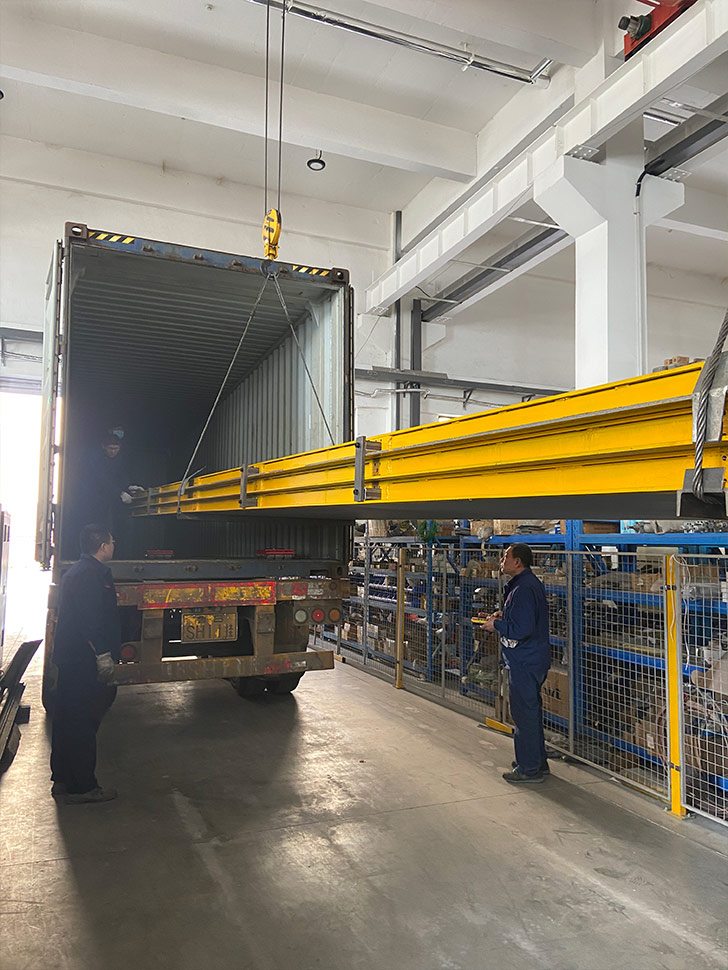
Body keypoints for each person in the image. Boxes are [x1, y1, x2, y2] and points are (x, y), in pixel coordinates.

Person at [50, 524, 121, 803]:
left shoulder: (77, 571)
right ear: (102, 546)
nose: (114, 546)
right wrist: (102, 654)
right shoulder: (91, 575)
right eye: (111, 542)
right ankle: (83, 787)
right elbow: (91, 621)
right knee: (83, 722)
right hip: (83, 660)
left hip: (71, 659)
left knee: (66, 718)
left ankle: (62, 780)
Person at [483, 543, 551, 784]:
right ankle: (537, 761)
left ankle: (529, 769)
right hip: (529, 658)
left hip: (525, 660)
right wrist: (504, 616)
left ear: (518, 562)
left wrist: (496, 625)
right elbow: (524, 618)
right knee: (530, 712)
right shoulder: (523, 585)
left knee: (523, 714)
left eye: (505, 557)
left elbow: (522, 629)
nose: (502, 561)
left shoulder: (523, 588)